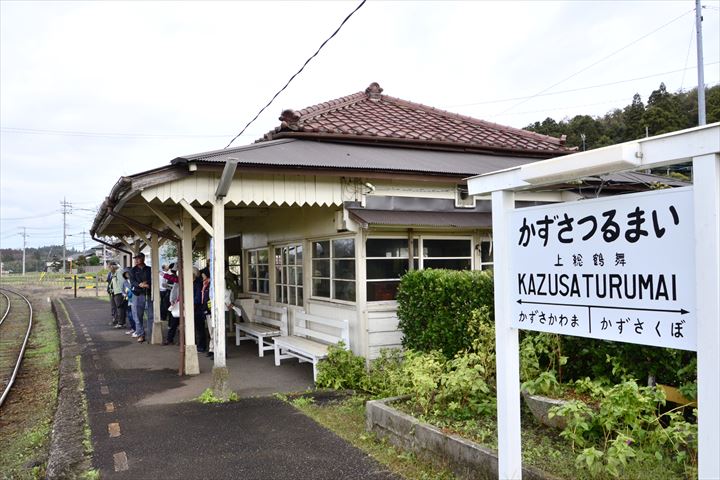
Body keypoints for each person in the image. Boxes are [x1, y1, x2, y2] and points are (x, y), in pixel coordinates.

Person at [130, 252, 153, 343]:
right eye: (135, 258)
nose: (136, 260)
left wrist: (148, 284)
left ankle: (151, 334)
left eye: (138, 258)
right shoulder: (133, 270)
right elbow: (132, 281)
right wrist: (140, 284)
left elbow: (152, 279)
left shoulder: (149, 269)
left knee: (151, 315)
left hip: (149, 293)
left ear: (143, 258)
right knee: (138, 316)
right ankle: (140, 334)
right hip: (138, 294)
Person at [163, 265, 180, 346]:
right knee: (173, 323)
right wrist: (172, 300)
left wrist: (163, 274)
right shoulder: (177, 280)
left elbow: (171, 279)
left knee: (177, 323)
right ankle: (170, 339)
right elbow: (174, 291)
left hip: (180, 303)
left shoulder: (178, 279)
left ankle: (180, 340)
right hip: (176, 303)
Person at [193, 267, 207, 353]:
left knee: (199, 328)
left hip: (198, 308)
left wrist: (193, 304)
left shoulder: (197, 283)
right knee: (198, 328)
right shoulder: (195, 283)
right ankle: (198, 345)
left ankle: (201, 346)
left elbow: (198, 297)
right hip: (195, 307)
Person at [109, 263, 127, 329]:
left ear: (114, 266)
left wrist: (123, 292)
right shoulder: (114, 273)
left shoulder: (119, 272)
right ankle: (121, 322)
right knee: (118, 308)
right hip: (115, 292)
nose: (110, 268)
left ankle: (121, 323)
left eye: (110, 267)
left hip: (119, 292)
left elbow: (122, 282)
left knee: (120, 308)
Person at [121, 269, 136, 336]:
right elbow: (122, 291)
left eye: (128, 273)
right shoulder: (124, 282)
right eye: (126, 274)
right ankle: (133, 328)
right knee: (130, 315)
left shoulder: (134, 281)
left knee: (135, 315)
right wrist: (124, 294)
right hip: (128, 301)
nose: (127, 275)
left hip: (135, 300)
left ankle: (137, 329)